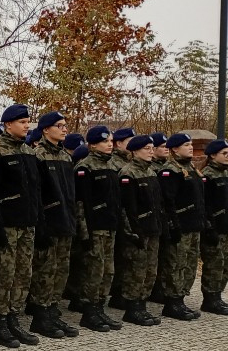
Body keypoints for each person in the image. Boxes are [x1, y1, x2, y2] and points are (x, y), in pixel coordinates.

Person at [0, 104, 41, 348]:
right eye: (21, 122)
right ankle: (0, 324)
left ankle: (14, 319)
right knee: (3, 275)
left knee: (22, 274)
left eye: (28, 121)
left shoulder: (29, 152)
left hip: (27, 222)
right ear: (8, 124)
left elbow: (36, 189)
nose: (26, 125)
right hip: (8, 224)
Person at [27, 111, 78, 339]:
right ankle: (41, 316)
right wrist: (41, 224)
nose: (64, 129)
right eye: (59, 125)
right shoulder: (37, 155)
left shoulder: (65, 157)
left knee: (61, 270)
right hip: (49, 221)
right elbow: (36, 194)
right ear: (46, 129)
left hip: (65, 221)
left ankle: (53, 310)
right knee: (45, 270)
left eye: (65, 125)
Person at [73, 126, 124, 332]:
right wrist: (84, 232)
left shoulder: (111, 165)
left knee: (107, 271)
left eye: (111, 140)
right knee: (94, 270)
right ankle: (89, 311)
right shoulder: (85, 167)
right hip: (95, 228)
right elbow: (80, 204)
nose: (109, 144)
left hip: (110, 226)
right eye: (105, 141)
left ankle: (100, 307)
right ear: (93, 144)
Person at [117, 134, 164, 326]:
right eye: (147, 148)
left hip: (153, 228)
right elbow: (126, 208)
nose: (151, 151)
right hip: (138, 231)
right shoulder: (128, 173)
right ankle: (132, 308)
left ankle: (142, 305)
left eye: (152, 148)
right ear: (135, 151)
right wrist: (131, 231)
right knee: (135, 270)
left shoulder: (151, 172)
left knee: (150, 270)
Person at [156, 133, 204, 320]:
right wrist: (173, 225)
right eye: (186, 144)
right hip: (181, 226)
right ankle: (172, 302)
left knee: (189, 264)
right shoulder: (170, 171)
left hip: (194, 225)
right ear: (175, 149)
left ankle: (181, 298)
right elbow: (168, 202)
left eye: (191, 144)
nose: (191, 147)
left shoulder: (190, 168)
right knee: (175, 264)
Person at [199, 139, 228, 315]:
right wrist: (209, 228)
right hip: (214, 228)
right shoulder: (207, 176)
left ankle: (218, 295)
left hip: (226, 227)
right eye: (224, 153)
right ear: (212, 155)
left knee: (224, 264)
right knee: (214, 264)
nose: (227, 157)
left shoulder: (225, 174)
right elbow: (204, 205)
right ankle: (210, 298)